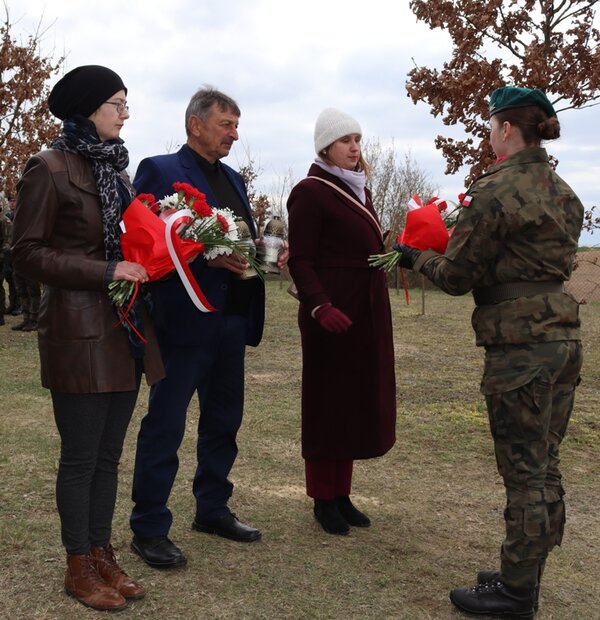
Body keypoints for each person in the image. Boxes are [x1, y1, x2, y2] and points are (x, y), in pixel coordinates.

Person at [393, 87, 583, 619]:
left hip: (521, 347)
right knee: (544, 464)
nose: (489, 135)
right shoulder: (565, 193)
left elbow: (457, 276)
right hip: (563, 340)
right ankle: (525, 573)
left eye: (491, 126)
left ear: (506, 128)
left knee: (524, 472)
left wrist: (413, 256)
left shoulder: (495, 190)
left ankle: (516, 594)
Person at [12, 65, 165, 612]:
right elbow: (26, 252)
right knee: (81, 457)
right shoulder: (48, 167)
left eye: (125, 103)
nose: (126, 114)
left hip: (125, 328)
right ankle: (78, 564)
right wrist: (105, 270)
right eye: (117, 104)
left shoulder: (116, 170)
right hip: (77, 331)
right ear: (89, 107)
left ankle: (102, 553)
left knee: (108, 456)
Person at [129, 85, 288, 569]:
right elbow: (146, 241)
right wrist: (205, 259)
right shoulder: (159, 170)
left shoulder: (234, 178)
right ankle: (149, 526)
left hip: (232, 321)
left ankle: (212, 508)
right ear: (195, 124)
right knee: (166, 425)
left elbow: (236, 238)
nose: (234, 135)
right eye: (226, 125)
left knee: (224, 421)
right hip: (183, 323)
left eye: (237, 126)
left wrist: (264, 252)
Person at [286, 108, 396, 535]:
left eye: (357, 139)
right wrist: (319, 305)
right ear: (325, 146)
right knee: (326, 404)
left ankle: (342, 494)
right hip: (330, 312)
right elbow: (301, 259)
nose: (354, 147)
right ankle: (322, 498)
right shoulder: (310, 192)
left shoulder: (358, 189)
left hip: (364, 311)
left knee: (352, 402)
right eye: (345, 140)